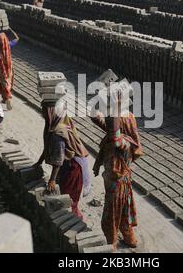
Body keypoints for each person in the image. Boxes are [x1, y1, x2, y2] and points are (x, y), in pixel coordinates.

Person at [91, 93, 143, 250]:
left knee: (112, 217)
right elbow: (95, 117)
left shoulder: (125, 144)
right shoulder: (115, 135)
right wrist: (99, 96)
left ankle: (111, 244)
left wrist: (117, 107)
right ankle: (129, 238)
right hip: (117, 183)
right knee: (124, 213)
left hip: (117, 186)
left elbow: (114, 136)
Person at [34, 100, 91, 219]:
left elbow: (58, 159)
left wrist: (52, 180)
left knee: (68, 195)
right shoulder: (58, 124)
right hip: (68, 164)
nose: (43, 113)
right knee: (64, 191)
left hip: (73, 167)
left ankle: (74, 218)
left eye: (45, 111)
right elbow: (48, 148)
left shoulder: (58, 132)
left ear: (52, 112)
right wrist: (39, 162)